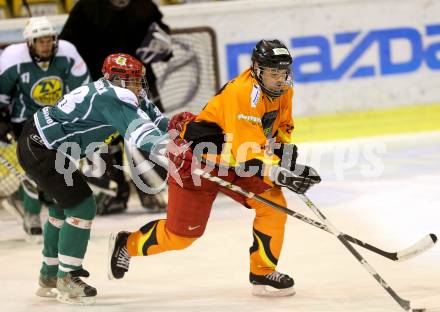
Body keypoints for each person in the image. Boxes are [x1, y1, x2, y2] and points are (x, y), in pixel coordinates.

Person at [108, 40, 321, 296]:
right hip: (197, 164)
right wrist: (279, 173)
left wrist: (288, 165)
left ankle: (262, 273)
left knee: (273, 205)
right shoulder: (243, 93)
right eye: (272, 72)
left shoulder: (284, 91)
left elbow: (281, 130)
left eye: (283, 72)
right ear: (256, 69)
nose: (279, 79)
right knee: (181, 237)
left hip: (234, 162)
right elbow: (249, 154)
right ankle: (126, 244)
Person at [16, 53, 172, 304]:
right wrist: (171, 150)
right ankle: (66, 278)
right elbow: (140, 134)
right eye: (133, 80)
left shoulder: (123, 92)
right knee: (82, 206)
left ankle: (49, 275)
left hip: (45, 144)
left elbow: (155, 120)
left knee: (62, 207)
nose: (138, 85)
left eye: (138, 80)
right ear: (118, 80)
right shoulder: (113, 97)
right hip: (42, 149)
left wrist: (183, 130)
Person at [60, 0, 173, 214]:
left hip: (138, 83)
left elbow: (159, 33)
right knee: (103, 139)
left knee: (144, 133)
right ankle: (112, 193)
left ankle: (152, 189)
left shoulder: (144, 5)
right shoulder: (87, 6)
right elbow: (68, 47)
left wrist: (163, 43)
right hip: (100, 85)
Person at [0, 16, 91, 241]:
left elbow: (85, 91)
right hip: (24, 120)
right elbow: (1, 94)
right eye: (40, 41)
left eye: (49, 39)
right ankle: (31, 213)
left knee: (61, 169)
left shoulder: (67, 53)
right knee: (33, 170)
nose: (46, 44)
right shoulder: (12, 57)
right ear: (30, 43)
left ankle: (57, 214)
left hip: (56, 119)